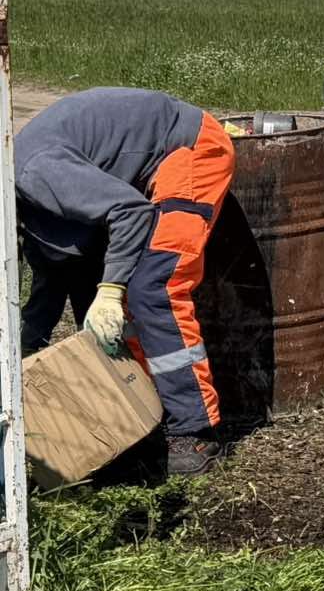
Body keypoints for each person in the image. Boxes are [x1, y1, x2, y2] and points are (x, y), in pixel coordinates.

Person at [15, 88, 236, 475]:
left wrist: (111, 289)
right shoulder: (22, 201)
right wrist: (22, 354)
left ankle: (195, 431)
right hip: (141, 175)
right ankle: (137, 417)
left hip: (186, 149)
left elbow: (130, 212)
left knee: (153, 287)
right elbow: (51, 280)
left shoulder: (36, 173)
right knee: (87, 285)